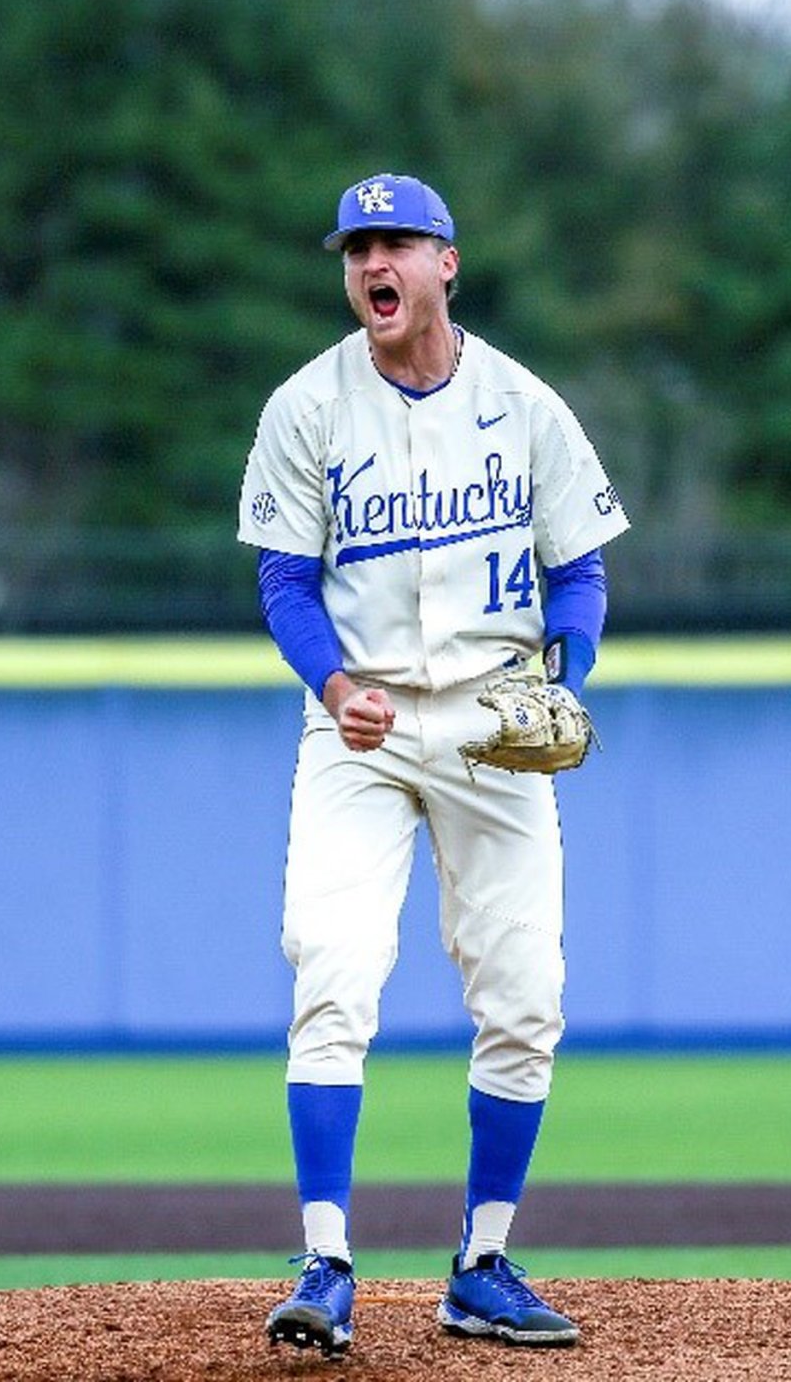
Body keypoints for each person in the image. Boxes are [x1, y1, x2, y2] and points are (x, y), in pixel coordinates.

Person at [237, 171, 630, 1355]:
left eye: (396, 240)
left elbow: (581, 570)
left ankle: (483, 1262)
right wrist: (337, 684)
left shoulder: (523, 405)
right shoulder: (307, 407)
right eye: (357, 246)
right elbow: (285, 582)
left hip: (491, 722)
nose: (373, 262)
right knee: (334, 969)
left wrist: (570, 665)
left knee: (524, 996)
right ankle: (327, 1262)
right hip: (358, 724)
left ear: (445, 262)